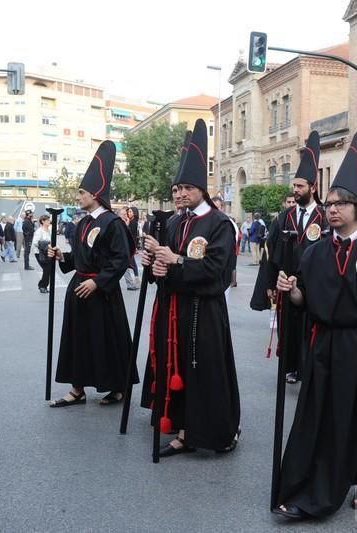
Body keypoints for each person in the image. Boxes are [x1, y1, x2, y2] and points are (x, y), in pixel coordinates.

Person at [272, 131, 357, 520]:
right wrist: (293, 291)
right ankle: (312, 486)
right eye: (329, 203)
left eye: (340, 204)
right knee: (320, 415)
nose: (332, 210)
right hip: (325, 344)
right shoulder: (315, 251)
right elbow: (306, 302)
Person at [140, 118, 240, 457]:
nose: (180, 193)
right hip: (173, 311)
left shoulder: (219, 224)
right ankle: (182, 429)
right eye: (176, 188)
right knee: (176, 368)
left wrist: (177, 260)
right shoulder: (173, 221)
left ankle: (217, 432)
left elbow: (217, 270)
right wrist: (154, 265)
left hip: (204, 312)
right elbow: (163, 269)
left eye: (186, 187)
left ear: (201, 188)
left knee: (205, 372)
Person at [48, 141, 137, 407]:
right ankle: (77, 389)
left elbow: (121, 259)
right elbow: (82, 257)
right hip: (79, 287)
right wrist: (63, 257)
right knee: (77, 339)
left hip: (101, 293)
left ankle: (117, 387)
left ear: (95, 194)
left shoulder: (113, 223)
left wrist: (98, 283)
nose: (78, 197)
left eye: (82, 192)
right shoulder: (84, 222)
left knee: (104, 340)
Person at [265, 131, 329, 384]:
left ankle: (309, 368)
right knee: (288, 328)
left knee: (310, 328)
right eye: (294, 186)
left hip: (313, 285)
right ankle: (290, 367)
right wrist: (271, 283)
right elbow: (271, 250)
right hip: (287, 283)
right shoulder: (285, 217)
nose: (295, 190)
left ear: (312, 188)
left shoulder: (324, 217)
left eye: (300, 186)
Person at [34, 214, 53, 293]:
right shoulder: (39, 231)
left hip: (47, 252)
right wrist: (45, 245)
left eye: (49, 220)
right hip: (39, 253)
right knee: (47, 269)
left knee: (48, 269)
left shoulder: (48, 230)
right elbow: (35, 242)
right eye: (47, 220)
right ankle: (42, 286)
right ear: (43, 221)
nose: (49, 221)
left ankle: (42, 285)